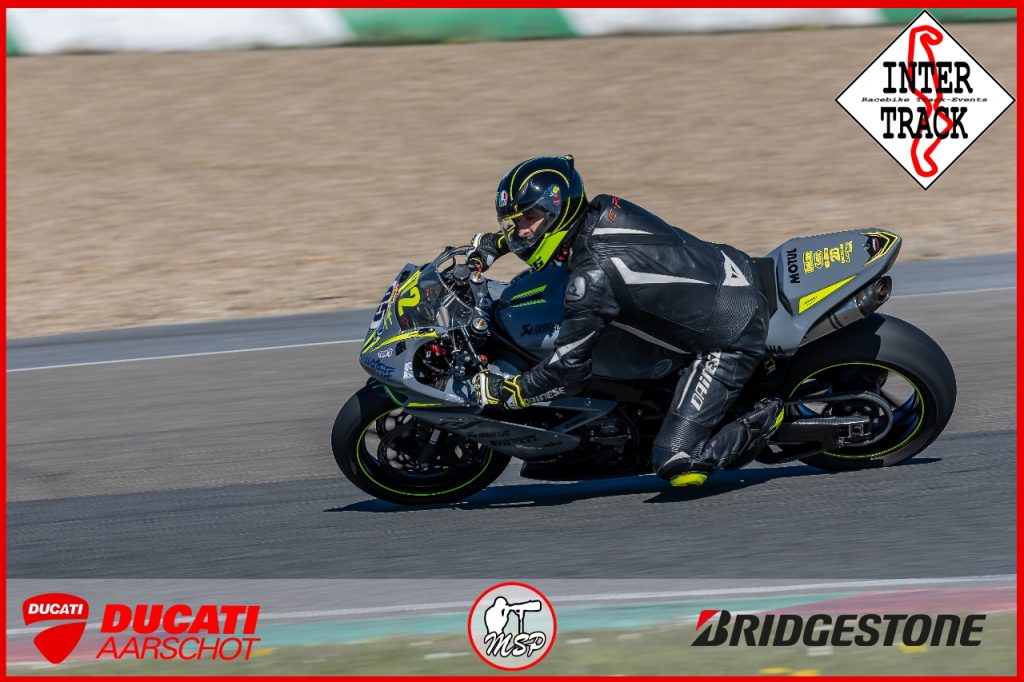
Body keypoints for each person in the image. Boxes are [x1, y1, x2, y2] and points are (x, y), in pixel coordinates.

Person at [469, 155, 782, 487]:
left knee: (676, 464)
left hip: (731, 333)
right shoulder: (599, 209)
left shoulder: (592, 279)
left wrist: (511, 392)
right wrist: (495, 245)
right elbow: (541, 236)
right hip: (728, 269)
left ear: (558, 211)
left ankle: (767, 416)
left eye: (529, 219)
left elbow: (568, 371)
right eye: (514, 223)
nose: (521, 231)